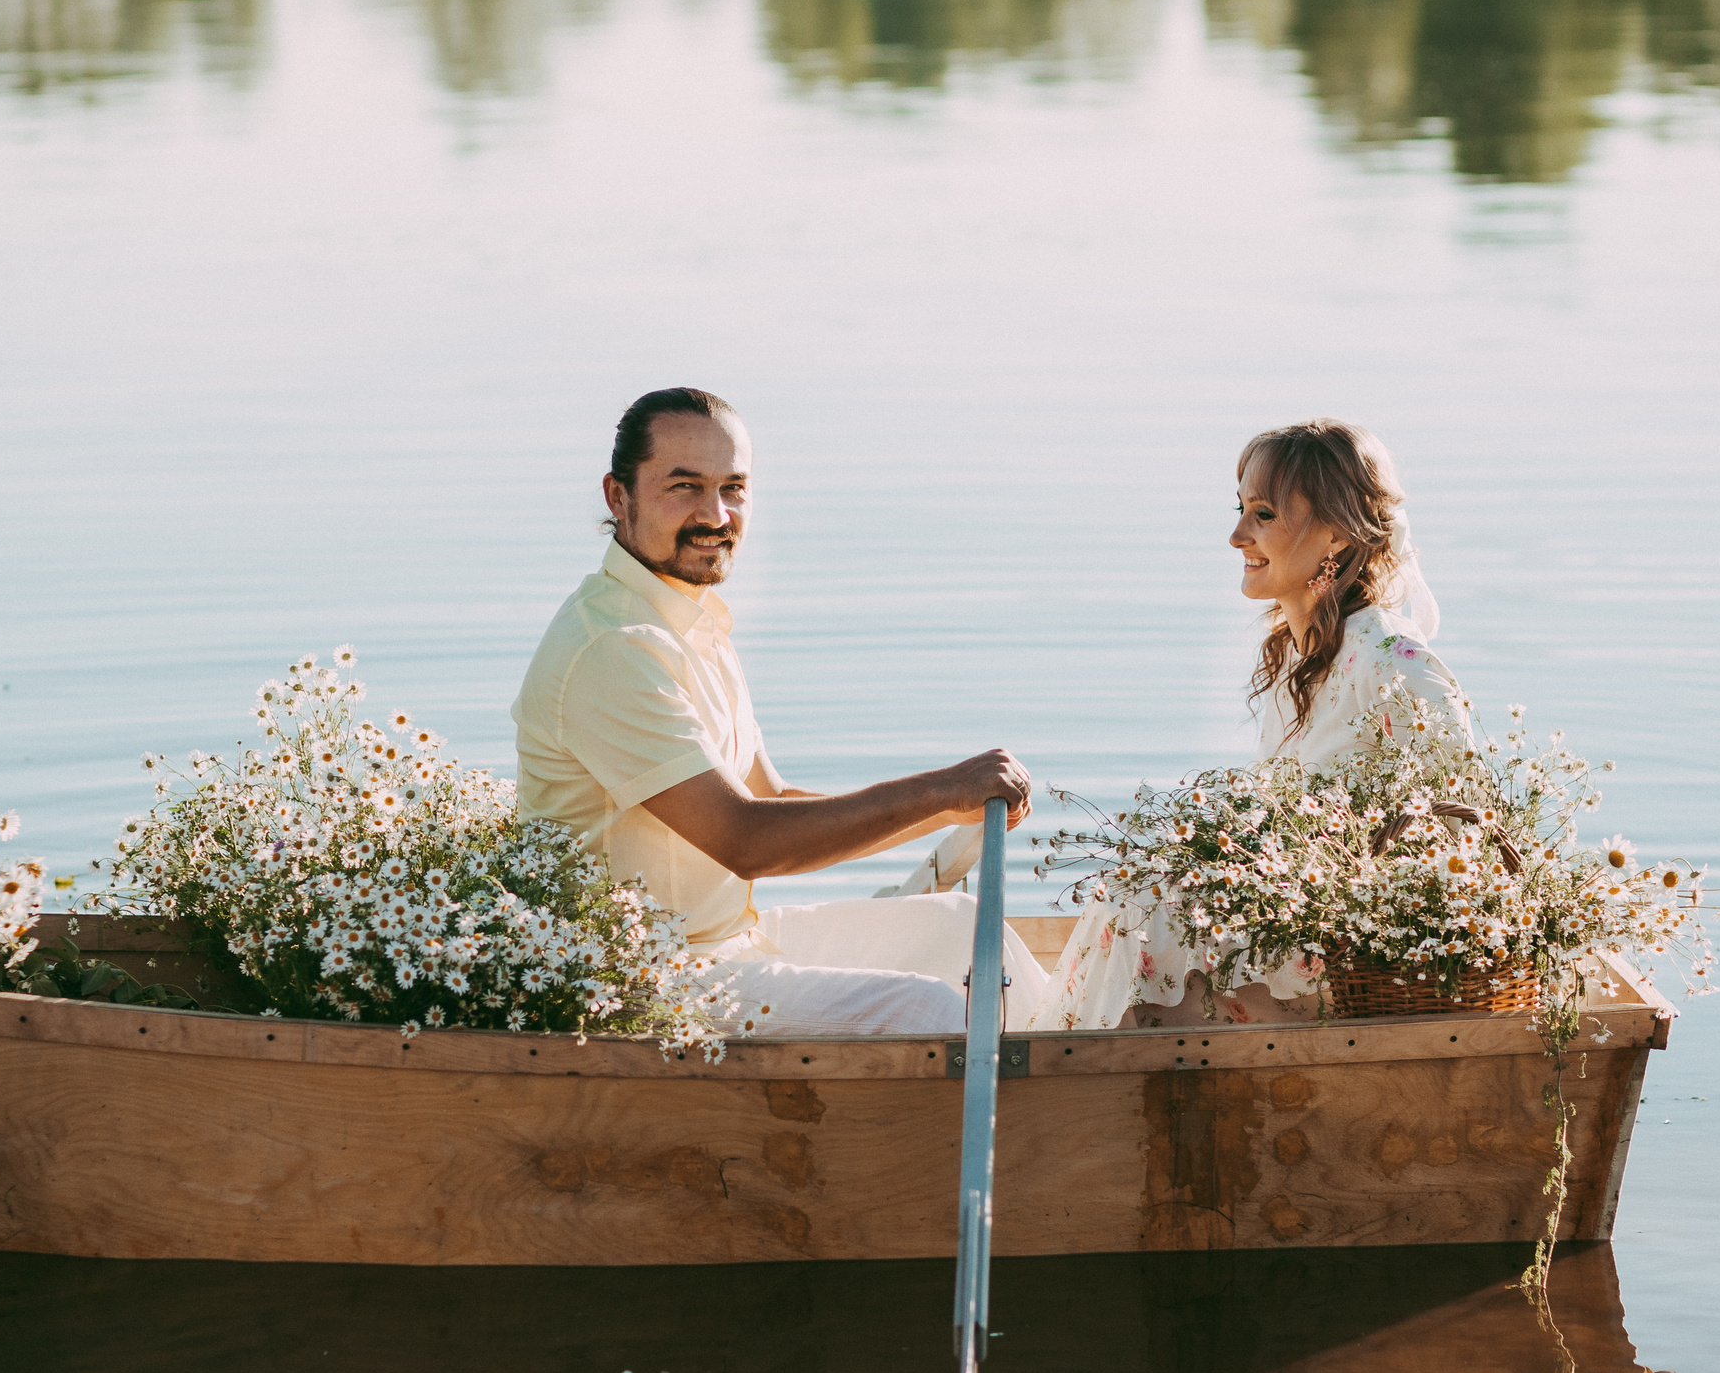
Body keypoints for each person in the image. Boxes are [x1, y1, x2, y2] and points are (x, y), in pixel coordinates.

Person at [511, 387, 1046, 1037]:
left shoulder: (692, 620)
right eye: (684, 486)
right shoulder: (613, 649)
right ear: (618, 496)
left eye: (733, 487)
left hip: (735, 942)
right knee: (927, 1011)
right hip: (646, 982)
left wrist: (948, 808)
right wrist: (938, 789)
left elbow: (774, 799)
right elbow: (747, 839)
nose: (715, 513)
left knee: (958, 926)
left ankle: (1080, 1095)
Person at [1024, 418, 1477, 1031]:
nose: (1237, 535)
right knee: (1137, 888)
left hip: (1357, 966)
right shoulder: (1297, 655)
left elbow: (1461, 837)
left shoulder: (1395, 664)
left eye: (1263, 514)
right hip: (1294, 921)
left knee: (1148, 906)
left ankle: (1076, 1075)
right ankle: (1072, 1060)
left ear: (1337, 535)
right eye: (1241, 509)